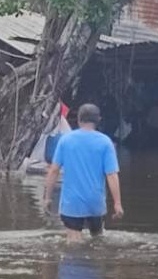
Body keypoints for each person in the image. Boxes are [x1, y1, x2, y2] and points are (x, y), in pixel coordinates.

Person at [44, 103, 123, 241]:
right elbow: (111, 175)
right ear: (99, 120)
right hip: (95, 203)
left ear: (79, 119)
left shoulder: (66, 140)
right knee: (97, 240)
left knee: (74, 243)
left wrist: (47, 197)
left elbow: (54, 170)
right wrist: (117, 203)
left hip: (72, 203)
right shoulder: (105, 142)